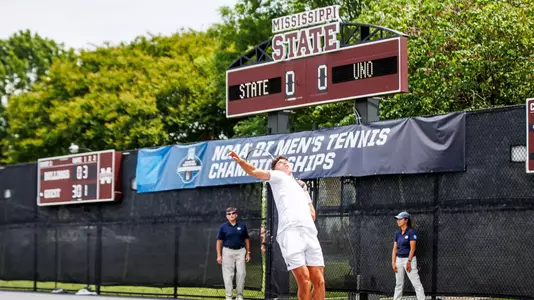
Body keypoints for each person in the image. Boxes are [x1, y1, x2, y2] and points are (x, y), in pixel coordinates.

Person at [229, 151, 325, 300]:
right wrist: (240, 161)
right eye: (281, 162)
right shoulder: (278, 177)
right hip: (290, 233)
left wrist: (305, 192)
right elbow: (254, 171)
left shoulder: (300, 188)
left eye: (287, 161)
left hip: (310, 233)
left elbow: (312, 215)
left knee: (319, 282)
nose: (285, 163)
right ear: (275, 169)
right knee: (304, 280)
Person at [216, 207, 251, 300]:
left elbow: (246, 239)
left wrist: (248, 253)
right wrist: (219, 255)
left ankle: (239, 296)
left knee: (241, 273)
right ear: (226, 216)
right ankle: (229, 296)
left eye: (233, 213)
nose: (231, 215)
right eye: (229, 214)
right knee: (228, 274)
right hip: (227, 251)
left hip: (241, 251)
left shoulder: (242, 225)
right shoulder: (223, 227)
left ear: (236, 214)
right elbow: (219, 241)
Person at [391, 211, 425, 300]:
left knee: (416, 283)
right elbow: (395, 249)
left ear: (406, 220)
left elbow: (413, 249)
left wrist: (409, 261)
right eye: (397, 219)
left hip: (409, 260)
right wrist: (393, 262)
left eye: (400, 219)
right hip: (399, 260)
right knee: (399, 284)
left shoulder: (411, 232)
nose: (397, 221)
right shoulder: (397, 233)